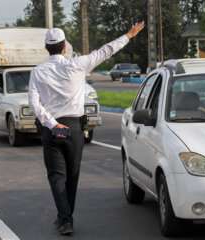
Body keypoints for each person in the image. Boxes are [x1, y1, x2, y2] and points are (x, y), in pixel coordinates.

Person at [28, 22, 144, 235]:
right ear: (64, 47)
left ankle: (65, 218)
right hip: (73, 127)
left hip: (51, 128)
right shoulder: (78, 64)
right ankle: (66, 217)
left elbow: (35, 105)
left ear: (47, 48)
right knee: (72, 175)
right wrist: (128, 35)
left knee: (56, 176)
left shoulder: (38, 72)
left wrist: (53, 124)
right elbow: (106, 50)